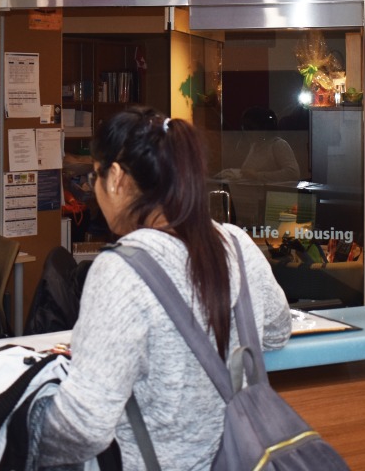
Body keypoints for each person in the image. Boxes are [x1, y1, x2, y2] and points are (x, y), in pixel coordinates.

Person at [33, 106, 291, 469]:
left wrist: (22, 447)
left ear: (118, 178)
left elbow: (84, 427)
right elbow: (278, 332)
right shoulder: (236, 243)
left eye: (96, 176)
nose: (95, 189)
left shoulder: (120, 270)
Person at [215, 106, 302, 182]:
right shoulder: (255, 145)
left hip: (273, 197)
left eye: (250, 129)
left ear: (262, 128)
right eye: (245, 129)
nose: (246, 133)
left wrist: (258, 175)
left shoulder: (278, 145)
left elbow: (293, 173)